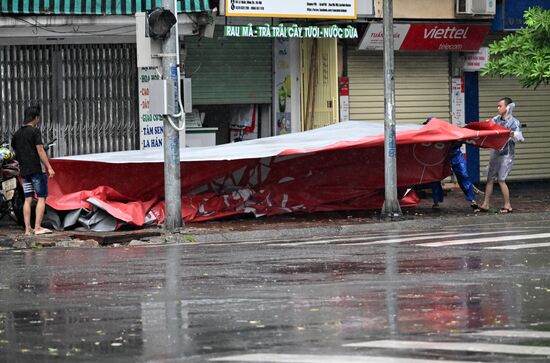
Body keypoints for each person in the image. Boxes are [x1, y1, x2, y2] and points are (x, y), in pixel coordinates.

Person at [11, 105, 56, 235]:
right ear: (35, 118)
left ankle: (27, 229)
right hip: (36, 170)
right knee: (41, 197)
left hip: (24, 171)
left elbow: (15, 149)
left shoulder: (17, 134)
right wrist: (49, 167)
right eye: (38, 118)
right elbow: (40, 150)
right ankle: (37, 227)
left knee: (28, 198)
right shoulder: (35, 132)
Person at [477, 97, 524, 214]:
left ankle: (508, 205)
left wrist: (513, 134)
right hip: (495, 152)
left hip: (507, 154)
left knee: (501, 179)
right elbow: (488, 128)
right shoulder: (496, 119)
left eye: (500, 106)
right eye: (497, 106)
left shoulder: (514, 122)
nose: (498, 108)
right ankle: (486, 204)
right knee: (490, 179)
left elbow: (521, 138)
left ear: (508, 107)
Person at [424, 117, 479, 211]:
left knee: (463, 176)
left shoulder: (448, 130)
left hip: (455, 155)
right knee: (435, 178)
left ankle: (472, 200)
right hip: (439, 158)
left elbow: (460, 140)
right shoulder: (427, 134)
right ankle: (436, 201)